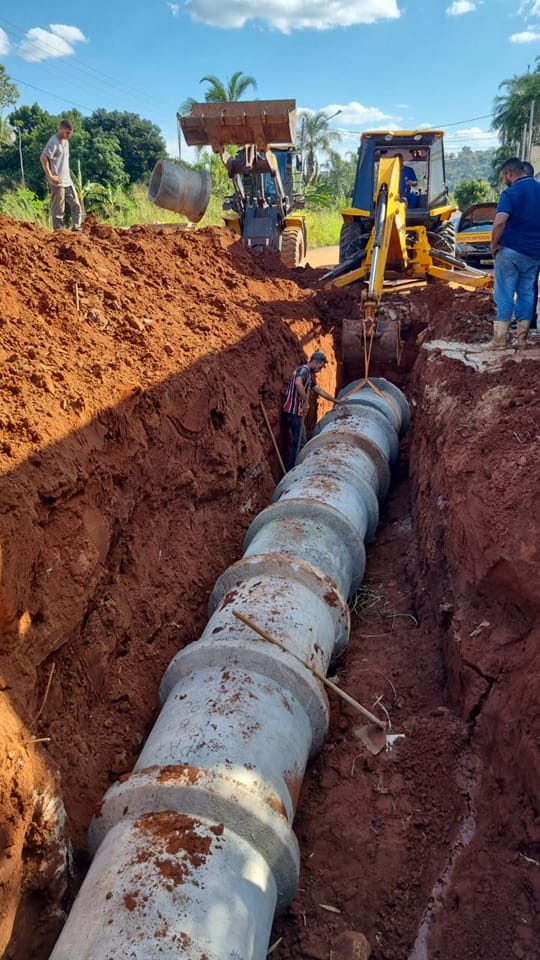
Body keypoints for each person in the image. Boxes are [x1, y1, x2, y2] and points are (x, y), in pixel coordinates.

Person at [489, 157, 540, 349]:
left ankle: (500, 341)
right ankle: (522, 340)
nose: (504, 180)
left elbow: (500, 221)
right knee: (527, 293)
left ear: (510, 174)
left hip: (510, 251)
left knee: (504, 293)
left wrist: (493, 244)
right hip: (534, 253)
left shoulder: (510, 193)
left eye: (504, 176)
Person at [281, 351, 341, 470]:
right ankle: (292, 470)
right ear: (315, 362)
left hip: (296, 412)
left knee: (300, 442)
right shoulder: (303, 370)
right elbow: (298, 383)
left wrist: (336, 401)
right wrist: (306, 401)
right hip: (293, 412)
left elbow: (319, 391)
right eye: (320, 366)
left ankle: (292, 468)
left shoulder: (309, 376)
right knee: (300, 444)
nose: (320, 369)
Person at [40, 119, 82, 232]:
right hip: (57, 183)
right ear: (61, 128)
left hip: (67, 180)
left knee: (76, 205)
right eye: (67, 133)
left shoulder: (66, 142)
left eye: (70, 133)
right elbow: (43, 157)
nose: (68, 135)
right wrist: (50, 176)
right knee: (59, 211)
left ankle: (77, 229)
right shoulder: (54, 141)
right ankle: (60, 233)